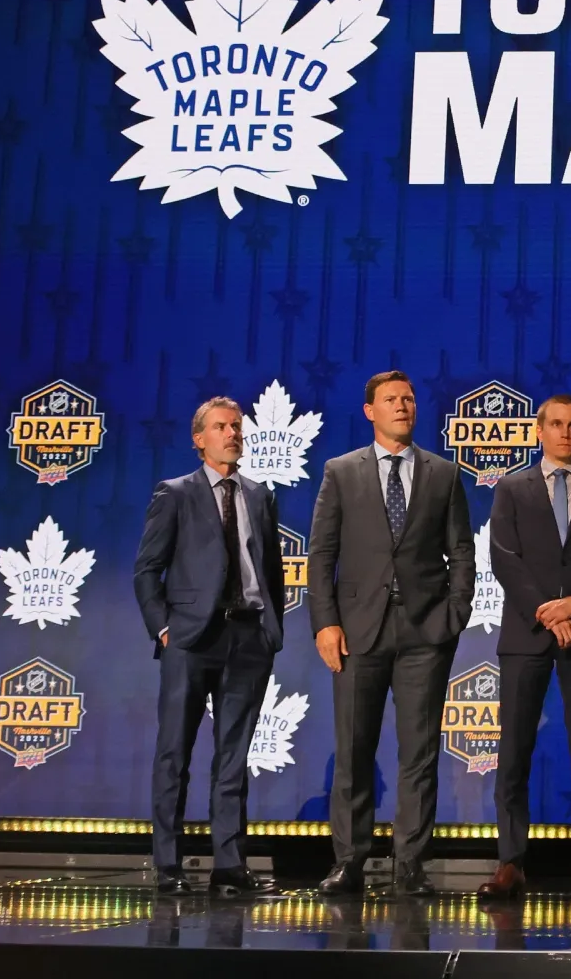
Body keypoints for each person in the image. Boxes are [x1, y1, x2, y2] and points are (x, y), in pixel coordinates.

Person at [309, 371, 475, 897]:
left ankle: (410, 866)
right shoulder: (341, 472)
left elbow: (463, 551)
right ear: (369, 411)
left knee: (419, 753)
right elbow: (321, 555)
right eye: (390, 400)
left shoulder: (443, 473)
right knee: (354, 749)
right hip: (358, 632)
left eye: (408, 398)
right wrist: (325, 623)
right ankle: (349, 861)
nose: (402, 406)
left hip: (426, 632)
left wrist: (455, 613)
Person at [476, 395, 571, 901]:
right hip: (527, 634)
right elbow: (504, 558)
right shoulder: (512, 489)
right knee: (514, 749)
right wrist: (548, 610)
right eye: (555, 424)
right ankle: (511, 862)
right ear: (539, 431)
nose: (564, 433)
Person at [134, 396, 285, 896]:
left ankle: (228, 865)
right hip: (191, 641)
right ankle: (168, 864)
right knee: (174, 752)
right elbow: (146, 570)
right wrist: (164, 628)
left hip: (247, 638)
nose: (233, 434)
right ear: (200, 438)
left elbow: (272, 574)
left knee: (233, 757)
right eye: (221, 427)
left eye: (237, 426)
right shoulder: (174, 493)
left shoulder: (260, 495)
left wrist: (270, 630)